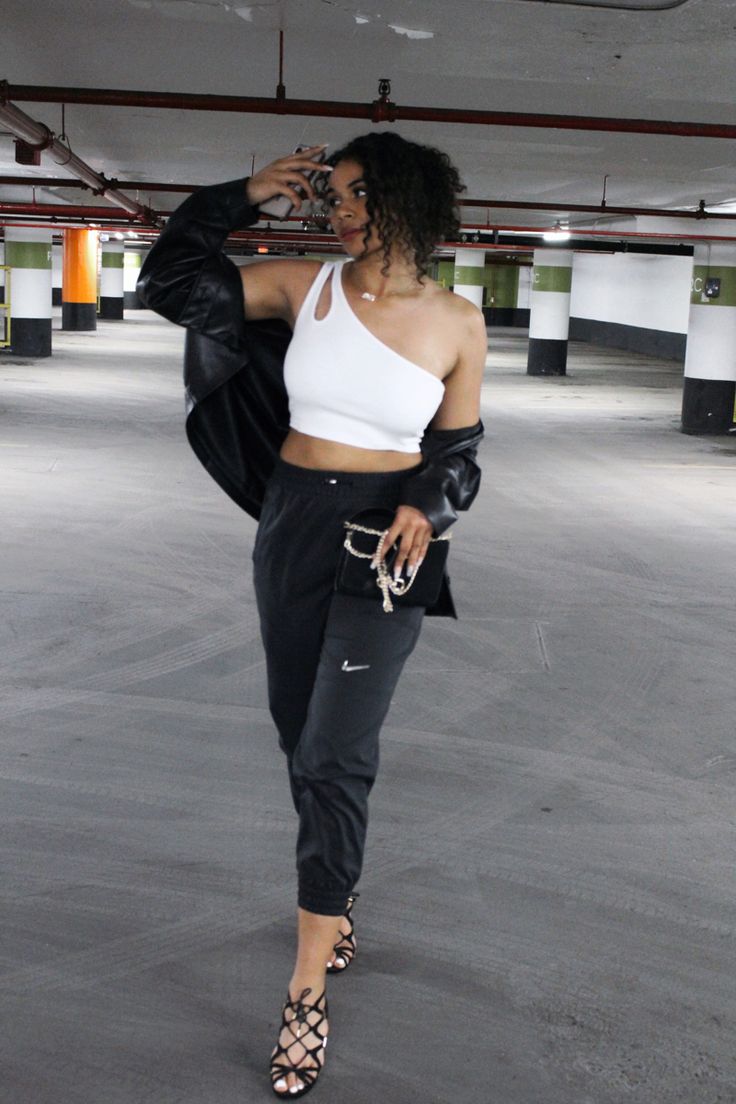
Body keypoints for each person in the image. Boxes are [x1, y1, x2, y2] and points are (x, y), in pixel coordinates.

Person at [137, 131, 486, 1099]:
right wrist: (239, 193)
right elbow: (174, 284)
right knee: (299, 735)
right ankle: (338, 893)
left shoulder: (458, 320)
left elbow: (459, 450)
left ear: (403, 199)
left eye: (350, 194)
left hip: (390, 545)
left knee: (337, 752)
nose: (333, 209)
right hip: (294, 524)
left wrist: (430, 501)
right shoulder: (303, 285)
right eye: (327, 197)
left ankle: (303, 988)